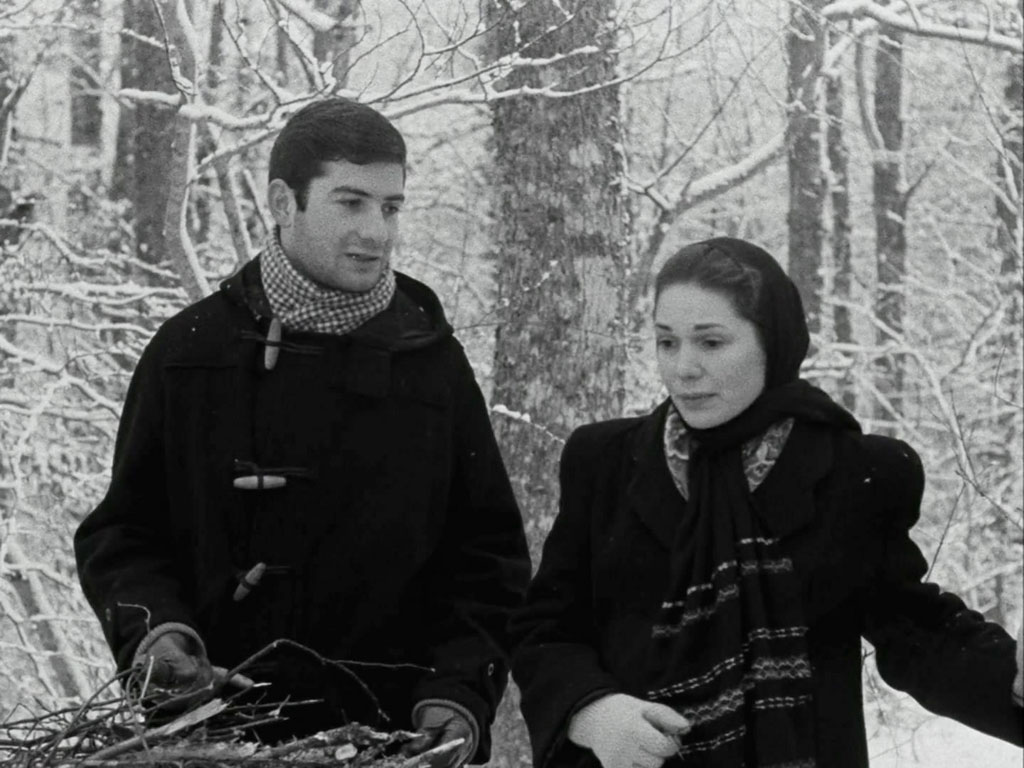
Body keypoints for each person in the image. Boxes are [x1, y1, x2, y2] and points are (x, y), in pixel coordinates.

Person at [75, 97, 531, 766]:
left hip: (388, 745)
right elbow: (123, 534)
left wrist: (456, 697)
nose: (378, 231)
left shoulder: (431, 364)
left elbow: (487, 563)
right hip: (210, 741)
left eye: (391, 207)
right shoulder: (189, 352)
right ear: (284, 202)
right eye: (351, 203)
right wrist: (159, 641)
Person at [511, 237, 1023, 768]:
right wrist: (590, 709)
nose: (683, 367)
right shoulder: (606, 463)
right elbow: (546, 628)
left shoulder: (852, 473)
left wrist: (1010, 679)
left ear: (770, 343)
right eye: (667, 342)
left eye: (710, 343)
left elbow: (916, 632)